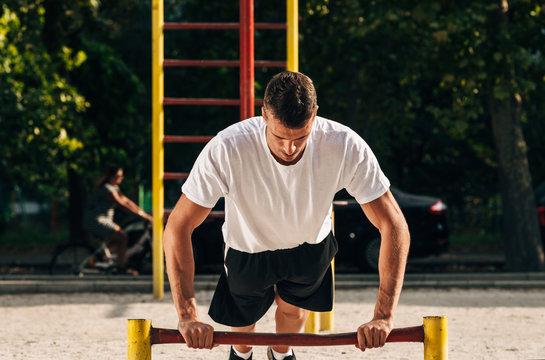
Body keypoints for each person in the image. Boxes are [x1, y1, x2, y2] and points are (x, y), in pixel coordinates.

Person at [163, 71, 410, 360]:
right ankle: (242, 354)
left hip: (309, 247)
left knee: (292, 318)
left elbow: (394, 225)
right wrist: (187, 314)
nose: (289, 148)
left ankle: (281, 355)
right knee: (242, 328)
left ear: (315, 115)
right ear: (264, 115)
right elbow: (178, 227)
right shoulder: (228, 148)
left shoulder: (343, 145)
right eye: (280, 137)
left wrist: (383, 315)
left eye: (301, 137)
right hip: (248, 247)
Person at [83, 163, 153, 274]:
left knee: (119, 240)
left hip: (101, 220)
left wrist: (144, 214)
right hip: (97, 220)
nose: (121, 178)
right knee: (123, 236)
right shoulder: (107, 189)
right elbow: (122, 205)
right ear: (112, 177)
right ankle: (121, 268)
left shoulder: (114, 188)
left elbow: (127, 201)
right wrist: (143, 216)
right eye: (119, 176)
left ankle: (99, 257)